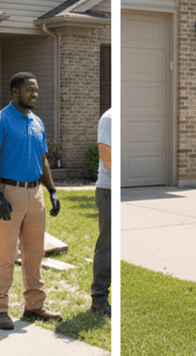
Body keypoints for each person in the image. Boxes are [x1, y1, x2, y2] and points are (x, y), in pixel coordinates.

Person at [0, 71, 62, 331]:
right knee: (4, 254)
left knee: (34, 253)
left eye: (36, 90)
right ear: (15, 91)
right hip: (10, 192)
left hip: (35, 193)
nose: (35, 94)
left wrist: (51, 191)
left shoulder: (37, 121)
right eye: (30, 90)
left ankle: (35, 305)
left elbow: (43, 160)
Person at [91, 107, 112, 317]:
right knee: (107, 247)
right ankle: (98, 299)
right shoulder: (109, 118)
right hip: (109, 191)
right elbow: (107, 156)